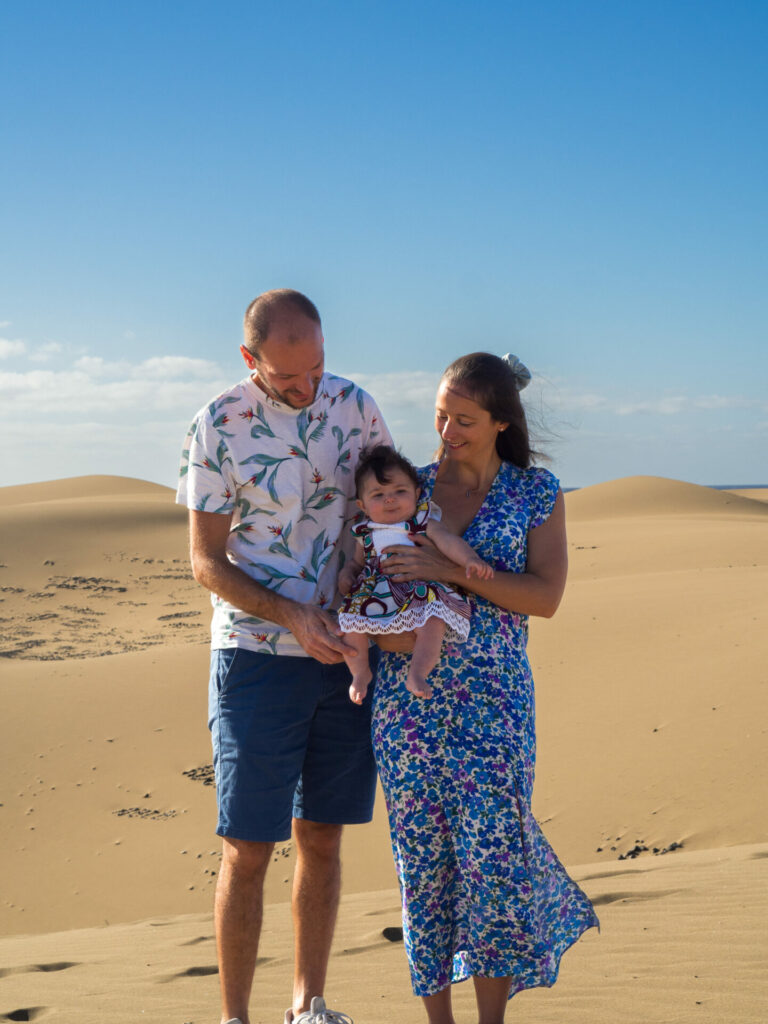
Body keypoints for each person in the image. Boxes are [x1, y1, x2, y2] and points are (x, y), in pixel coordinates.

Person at [176, 289, 392, 1024]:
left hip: (345, 656)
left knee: (323, 838)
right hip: (255, 656)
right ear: (251, 360)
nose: (307, 390)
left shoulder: (357, 408)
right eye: (288, 377)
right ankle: (236, 1018)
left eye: (318, 369)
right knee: (248, 847)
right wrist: (293, 614)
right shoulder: (218, 423)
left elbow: (384, 515)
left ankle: (309, 1006)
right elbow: (205, 561)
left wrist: (357, 585)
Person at [370, 352, 599, 1024]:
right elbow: (365, 581)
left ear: (501, 421)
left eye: (464, 419)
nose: (446, 430)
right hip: (407, 706)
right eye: (440, 414)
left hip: (495, 704)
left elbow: (545, 597)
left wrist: (455, 568)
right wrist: (382, 633)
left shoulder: (536, 493)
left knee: (495, 862)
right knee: (424, 867)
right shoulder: (406, 487)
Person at [337, 444, 493, 703]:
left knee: (432, 624)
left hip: (417, 591)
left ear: (417, 493)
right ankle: (360, 672)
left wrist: (470, 559)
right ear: (362, 505)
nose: (390, 499)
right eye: (378, 495)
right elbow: (356, 563)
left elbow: (447, 542)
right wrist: (347, 574)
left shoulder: (421, 522)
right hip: (374, 594)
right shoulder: (365, 532)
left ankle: (418, 673)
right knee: (351, 626)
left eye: (400, 491)